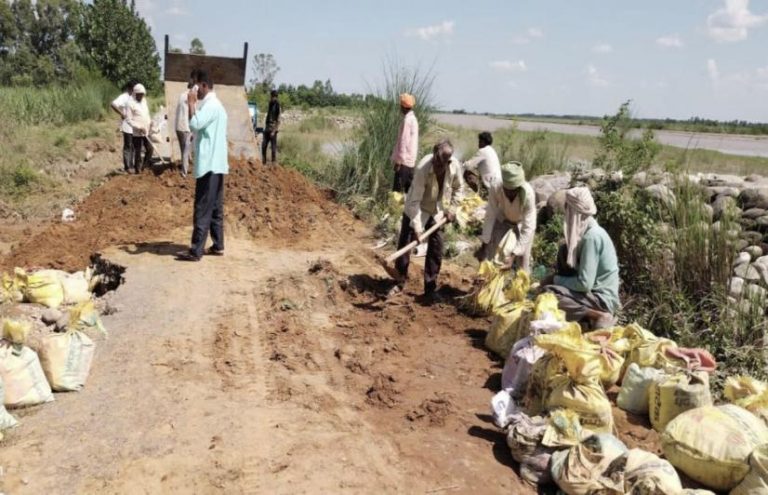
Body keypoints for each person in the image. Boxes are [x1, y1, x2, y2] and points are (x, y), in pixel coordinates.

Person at [392, 139, 463, 302]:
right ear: (433, 157)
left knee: (437, 246)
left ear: (448, 161)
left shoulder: (454, 167)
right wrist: (417, 228)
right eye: (436, 161)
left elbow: (459, 188)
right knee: (406, 241)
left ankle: (430, 288)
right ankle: (399, 281)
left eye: (442, 163)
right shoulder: (423, 168)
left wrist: (452, 209)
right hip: (416, 207)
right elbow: (415, 201)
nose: (438, 166)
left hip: (437, 208)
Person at [542, 187, 620, 329]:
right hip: (593, 293)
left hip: (602, 298)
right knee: (563, 250)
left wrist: (555, 280)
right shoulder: (588, 233)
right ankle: (584, 317)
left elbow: (585, 284)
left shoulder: (592, 237)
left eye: (567, 208)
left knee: (550, 293)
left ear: (573, 211)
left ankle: (597, 315)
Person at [177, 70, 229, 262]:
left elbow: (195, 123)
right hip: (217, 164)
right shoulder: (218, 106)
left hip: (209, 165)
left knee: (202, 208)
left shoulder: (210, 105)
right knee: (215, 207)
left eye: (196, 87)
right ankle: (218, 245)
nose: (194, 91)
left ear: (204, 86)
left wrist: (191, 103)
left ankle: (195, 250)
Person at [476, 162, 536, 272]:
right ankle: (489, 284)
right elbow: (490, 215)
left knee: (523, 263)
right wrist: (484, 245)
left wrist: (513, 255)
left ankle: (519, 287)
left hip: (521, 223)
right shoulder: (496, 187)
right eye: (508, 190)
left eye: (514, 191)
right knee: (493, 255)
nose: (511, 194)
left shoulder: (528, 194)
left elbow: (528, 227)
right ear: (503, 185)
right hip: (503, 219)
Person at [390, 93, 419, 193]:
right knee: (408, 192)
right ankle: (406, 208)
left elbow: (404, 142)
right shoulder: (414, 119)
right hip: (411, 162)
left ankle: (395, 208)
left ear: (403, 107)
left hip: (404, 162)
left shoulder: (407, 120)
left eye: (400, 106)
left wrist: (398, 161)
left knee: (397, 192)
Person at [110, 80, 137, 173]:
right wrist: (122, 113)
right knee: (128, 145)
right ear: (129, 88)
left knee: (133, 146)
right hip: (126, 125)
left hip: (134, 125)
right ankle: (127, 167)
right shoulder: (124, 97)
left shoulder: (134, 97)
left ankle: (132, 164)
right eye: (133, 89)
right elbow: (113, 104)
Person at [126, 83, 152, 174]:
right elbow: (129, 120)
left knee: (150, 149)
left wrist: (150, 123)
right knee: (138, 151)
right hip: (137, 133)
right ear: (135, 94)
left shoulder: (144, 101)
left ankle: (144, 166)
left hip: (146, 130)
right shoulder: (130, 104)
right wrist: (139, 127)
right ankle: (138, 170)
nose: (141, 96)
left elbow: (147, 114)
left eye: (142, 94)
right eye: (139, 94)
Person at [175, 82, 194, 177]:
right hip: (185, 127)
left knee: (184, 150)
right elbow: (191, 114)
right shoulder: (191, 97)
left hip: (178, 126)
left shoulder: (182, 95)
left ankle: (189, 163)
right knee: (186, 151)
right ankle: (184, 172)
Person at [261, 89, 281, 164]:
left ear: (276, 97)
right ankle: (263, 162)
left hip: (273, 129)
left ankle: (273, 164)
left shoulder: (278, 106)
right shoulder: (270, 104)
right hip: (267, 128)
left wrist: (274, 131)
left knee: (273, 148)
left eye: (274, 97)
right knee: (263, 146)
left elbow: (278, 120)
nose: (273, 98)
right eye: (272, 97)